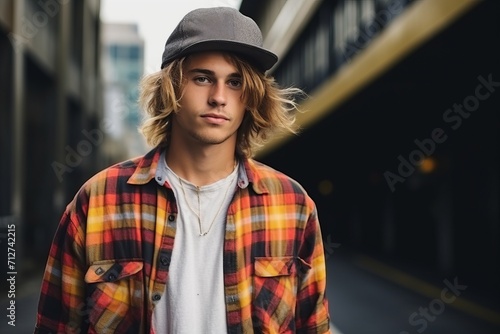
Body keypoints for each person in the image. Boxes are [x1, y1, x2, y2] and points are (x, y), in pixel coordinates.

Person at [34, 6, 331, 334]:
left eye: (235, 82)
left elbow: (312, 326)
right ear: (172, 86)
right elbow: (56, 325)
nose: (219, 97)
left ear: (251, 98)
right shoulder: (100, 200)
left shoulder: (292, 206)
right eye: (202, 78)